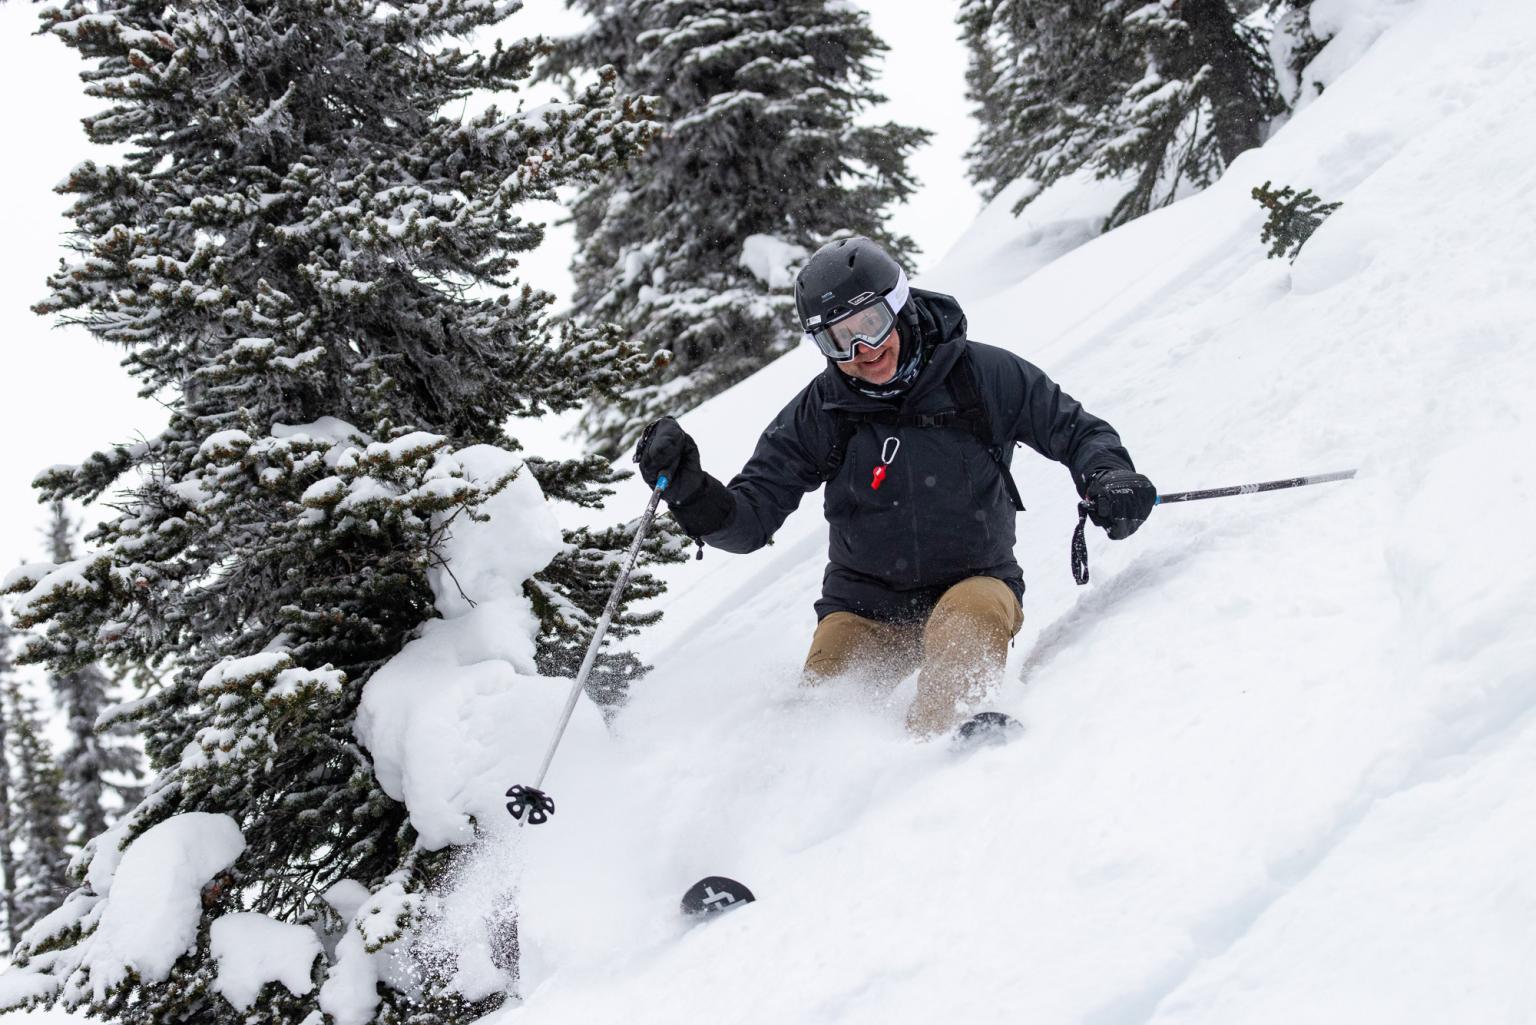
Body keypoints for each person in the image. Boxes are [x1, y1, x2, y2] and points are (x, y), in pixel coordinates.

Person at [634, 237, 1155, 740]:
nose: (863, 350)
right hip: (864, 606)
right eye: (838, 340)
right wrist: (691, 493)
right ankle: (831, 791)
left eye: (870, 324)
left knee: (965, 629)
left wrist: (1107, 475)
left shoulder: (980, 375)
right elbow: (750, 520)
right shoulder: (823, 410)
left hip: (975, 581)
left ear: (899, 306)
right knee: (819, 719)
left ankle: (946, 752)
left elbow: (1075, 430)